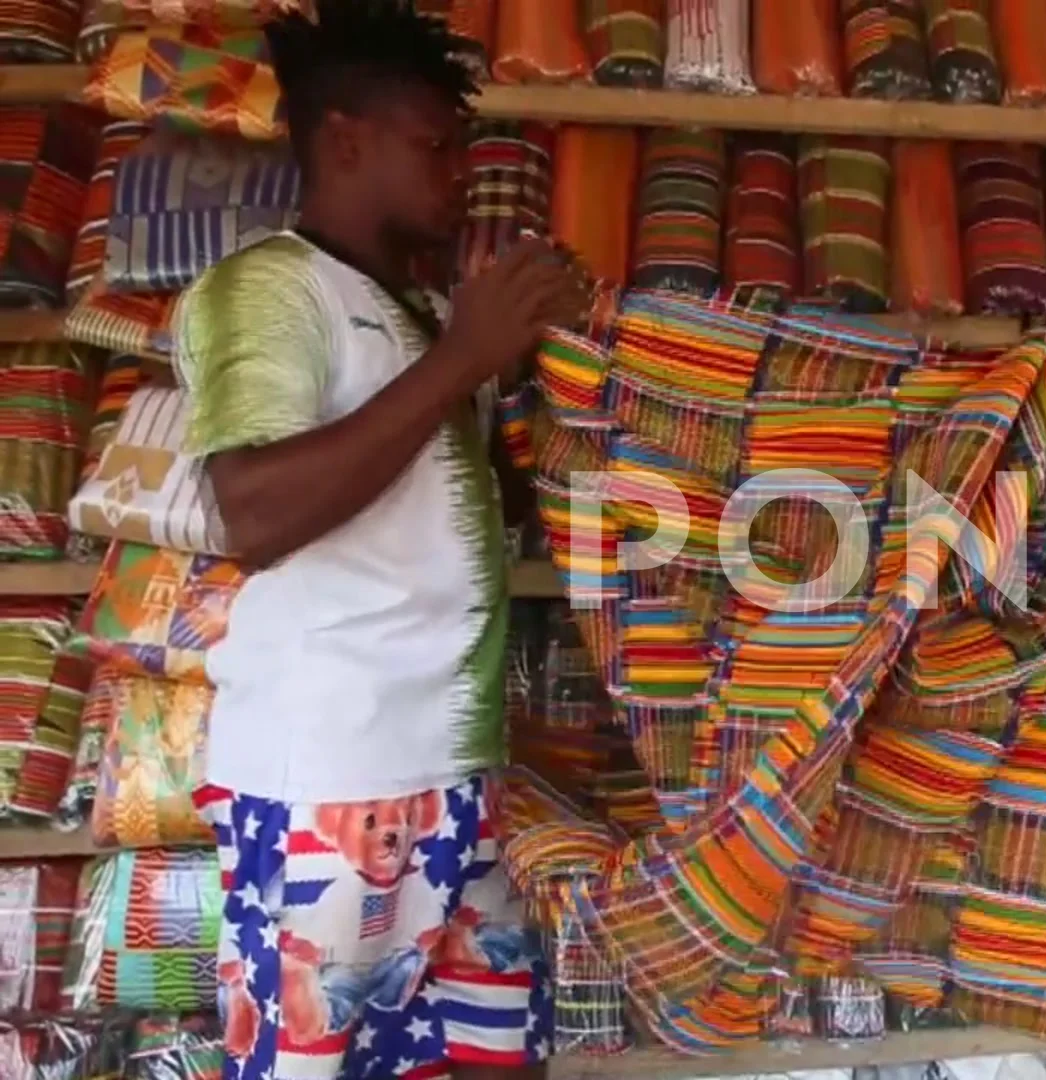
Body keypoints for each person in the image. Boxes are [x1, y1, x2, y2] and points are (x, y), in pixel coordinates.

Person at [172, 2, 588, 1076]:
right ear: (347, 138)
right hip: (330, 784)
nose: (460, 177)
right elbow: (252, 512)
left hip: (447, 779)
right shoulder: (270, 288)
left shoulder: (408, 314)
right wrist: (464, 359)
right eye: (436, 147)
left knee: (492, 1056)